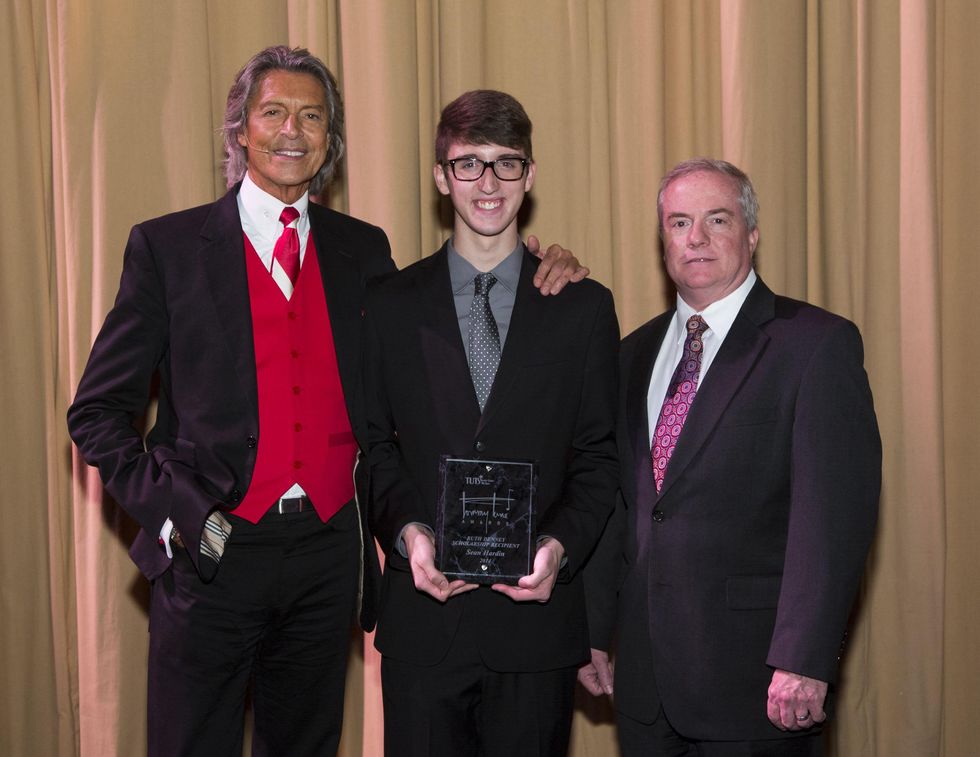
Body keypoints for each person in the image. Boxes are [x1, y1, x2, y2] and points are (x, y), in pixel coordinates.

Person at [67, 47, 584, 757]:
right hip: (213, 554)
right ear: (240, 130)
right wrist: (184, 511)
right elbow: (94, 414)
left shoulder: (364, 252)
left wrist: (539, 266)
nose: (292, 130)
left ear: (330, 140)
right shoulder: (168, 248)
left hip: (326, 560)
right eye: (273, 111)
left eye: (312, 116)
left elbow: (441, 341)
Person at [579, 158, 881, 756]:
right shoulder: (631, 354)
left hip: (760, 686)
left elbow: (833, 519)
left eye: (716, 219)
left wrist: (804, 658)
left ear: (751, 233)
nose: (695, 238)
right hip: (644, 685)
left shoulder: (816, 345)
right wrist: (592, 631)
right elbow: (621, 504)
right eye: (678, 222)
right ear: (662, 238)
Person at [363, 89, 620, 757]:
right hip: (424, 624)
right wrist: (409, 532)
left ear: (530, 176)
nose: (488, 182)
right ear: (441, 175)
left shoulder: (584, 308)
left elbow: (599, 459)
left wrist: (559, 548)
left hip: (535, 629)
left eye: (506, 163)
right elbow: (373, 449)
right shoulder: (391, 305)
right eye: (469, 163)